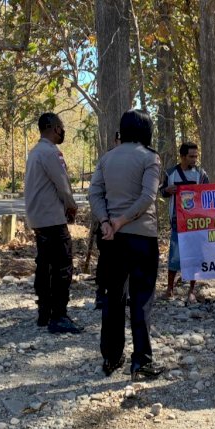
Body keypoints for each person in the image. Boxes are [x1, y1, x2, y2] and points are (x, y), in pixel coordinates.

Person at [89, 109, 165, 380]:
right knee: (141, 299)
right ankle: (141, 361)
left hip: (111, 239)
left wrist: (107, 221)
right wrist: (122, 220)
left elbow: (94, 193)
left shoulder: (107, 158)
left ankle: (111, 357)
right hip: (141, 237)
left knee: (113, 296)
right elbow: (148, 196)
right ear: (146, 130)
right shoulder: (150, 157)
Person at [24, 112, 80, 333]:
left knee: (44, 265)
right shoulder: (50, 152)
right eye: (61, 127)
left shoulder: (35, 152)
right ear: (55, 128)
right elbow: (62, 185)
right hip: (52, 217)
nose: (62, 131)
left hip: (38, 217)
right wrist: (71, 206)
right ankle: (59, 315)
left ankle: (44, 312)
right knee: (62, 266)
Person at [159, 142, 209, 303]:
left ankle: (191, 291)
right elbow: (161, 190)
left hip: (195, 223)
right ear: (182, 156)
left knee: (194, 256)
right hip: (177, 221)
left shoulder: (201, 174)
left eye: (196, 156)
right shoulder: (171, 173)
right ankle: (169, 289)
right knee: (174, 255)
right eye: (191, 156)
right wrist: (167, 190)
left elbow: (208, 193)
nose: (194, 159)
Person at [94, 131, 122, 311]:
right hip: (108, 220)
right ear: (115, 140)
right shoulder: (106, 160)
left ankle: (123, 294)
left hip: (128, 222)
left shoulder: (139, 160)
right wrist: (103, 219)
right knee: (105, 259)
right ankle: (100, 293)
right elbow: (96, 191)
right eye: (120, 139)